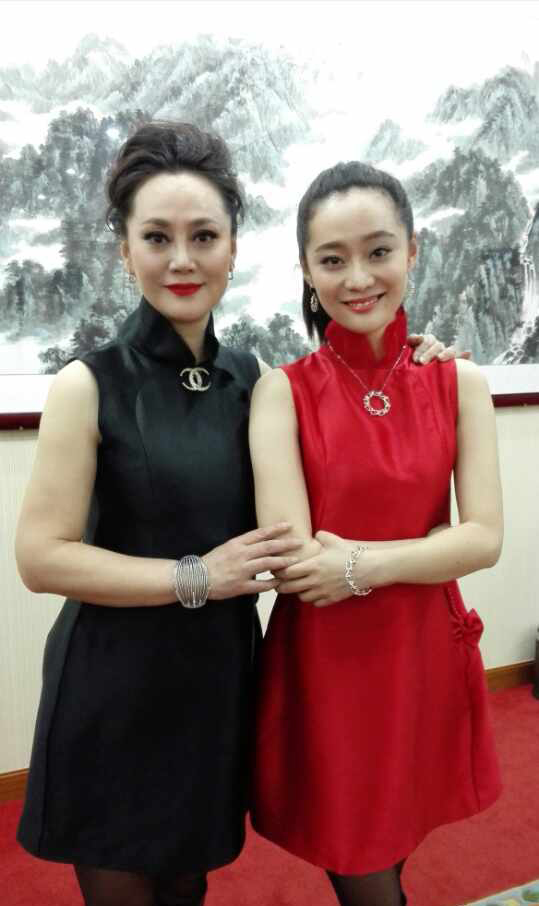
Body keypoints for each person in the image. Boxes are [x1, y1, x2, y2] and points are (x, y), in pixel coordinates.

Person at [15, 123, 459, 906]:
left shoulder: (252, 379)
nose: (182, 260)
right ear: (125, 252)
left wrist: (413, 358)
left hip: (217, 680)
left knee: (187, 887)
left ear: (232, 249)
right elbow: (41, 557)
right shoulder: (88, 384)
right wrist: (197, 576)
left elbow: (342, 402)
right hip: (113, 685)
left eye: (203, 236)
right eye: (157, 238)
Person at [249, 161, 503, 906]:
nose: (358, 278)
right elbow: (295, 559)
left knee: (396, 835)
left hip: (423, 649)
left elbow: (484, 538)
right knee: (358, 854)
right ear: (306, 270)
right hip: (328, 662)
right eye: (332, 260)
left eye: (379, 251)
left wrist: (358, 563)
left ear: (412, 251)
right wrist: (419, 554)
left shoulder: (458, 381)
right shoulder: (282, 389)